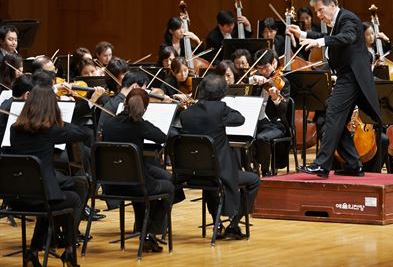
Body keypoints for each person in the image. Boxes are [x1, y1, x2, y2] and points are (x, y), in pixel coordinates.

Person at [288, 0, 382, 178]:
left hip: (352, 77)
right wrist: (303, 34)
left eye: (321, 10)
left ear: (333, 4)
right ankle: (354, 165)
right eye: (317, 12)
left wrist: (320, 42)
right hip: (347, 77)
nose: (319, 15)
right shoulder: (339, 21)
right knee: (326, 120)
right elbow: (332, 38)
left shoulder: (349, 19)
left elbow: (346, 37)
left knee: (331, 115)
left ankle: (321, 165)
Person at [9, 85, 86, 266]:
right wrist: (59, 121)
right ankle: (68, 248)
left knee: (51, 201)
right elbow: (82, 133)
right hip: (40, 196)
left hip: (17, 196)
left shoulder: (14, 128)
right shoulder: (50, 130)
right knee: (73, 198)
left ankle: (33, 252)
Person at [178, 74, 260, 240]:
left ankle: (218, 224)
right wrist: (225, 109)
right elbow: (239, 119)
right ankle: (234, 223)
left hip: (194, 173)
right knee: (253, 180)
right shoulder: (220, 109)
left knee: (210, 181)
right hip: (219, 172)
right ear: (222, 93)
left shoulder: (186, 113)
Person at [101, 88, 178, 252]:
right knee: (169, 187)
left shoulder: (108, 124)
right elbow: (161, 137)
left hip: (112, 184)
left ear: (124, 104)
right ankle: (151, 232)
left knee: (152, 175)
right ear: (145, 108)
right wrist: (142, 122)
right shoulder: (139, 125)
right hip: (135, 183)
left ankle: (143, 226)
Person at [247, 49, 291, 176]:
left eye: (265, 67)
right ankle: (249, 169)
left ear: (274, 63)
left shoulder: (283, 82)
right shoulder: (254, 79)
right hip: (255, 122)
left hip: (275, 124)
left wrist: (276, 98)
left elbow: (283, 110)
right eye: (259, 68)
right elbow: (241, 86)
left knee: (262, 138)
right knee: (241, 136)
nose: (263, 72)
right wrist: (252, 79)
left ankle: (266, 171)